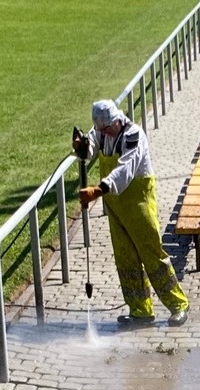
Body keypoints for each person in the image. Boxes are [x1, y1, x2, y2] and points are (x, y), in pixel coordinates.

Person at [74, 101, 187, 324]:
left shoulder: (133, 135)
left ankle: (178, 305)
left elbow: (126, 168)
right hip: (115, 206)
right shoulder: (101, 131)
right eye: (100, 130)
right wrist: (81, 147)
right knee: (125, 258)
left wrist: (98, 190)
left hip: (138, 203)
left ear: (116, 120)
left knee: (152, 254)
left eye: (105, 129)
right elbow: (90, 148)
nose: (103, 133)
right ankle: (140, 310)